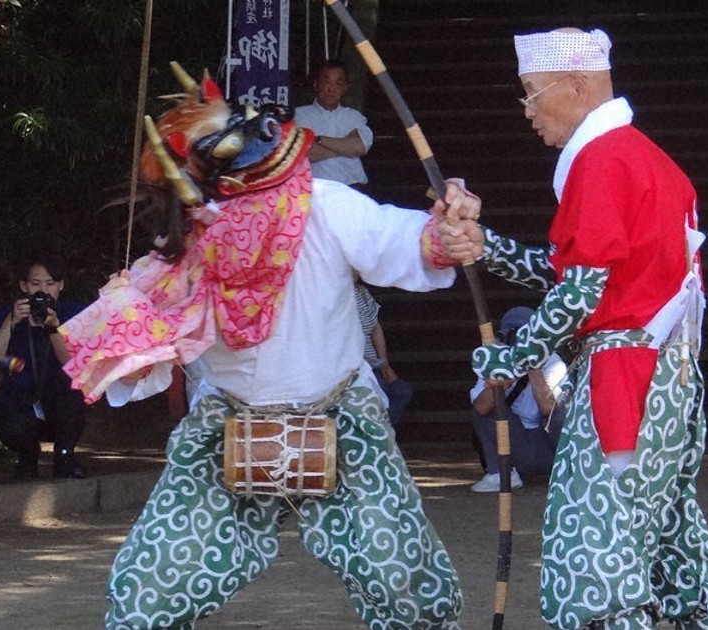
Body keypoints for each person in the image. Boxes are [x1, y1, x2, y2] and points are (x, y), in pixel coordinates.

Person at [59, 66, 465, 629]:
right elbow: (114, 358)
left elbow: (404, 242)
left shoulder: (325, 204)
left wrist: (444, 235)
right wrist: (113, 335)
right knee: (148, 591)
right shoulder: (183, 250)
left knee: (402, 577)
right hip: (226, 421)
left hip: (342, 416)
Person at [435, 27, 708, 629]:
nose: (527, 112)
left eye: (530, 92)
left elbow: (581, 289)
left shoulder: (601, 160)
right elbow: (575, 272)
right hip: (665, 377)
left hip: (624, 379)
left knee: (596, 558)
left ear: (577, 84)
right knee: (665, 544)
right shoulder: (646, 158)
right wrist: (485, 247)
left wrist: (513, 359)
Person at [0, 254, 87, 480]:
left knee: (72, 389)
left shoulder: (73, 312)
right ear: (24, 285)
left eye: (50, 284)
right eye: (35, 284)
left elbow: (73, 364)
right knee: (9, 412)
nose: (43, 291)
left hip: (59, 399)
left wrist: (53, 328)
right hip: (22, 398)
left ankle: (65, 454)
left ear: (61, 285)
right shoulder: (8, 313)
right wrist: (10, 323)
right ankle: (27, 456)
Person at [468, 306, 566, 493]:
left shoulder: (553, 361)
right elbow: (480, 408)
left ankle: (569, 471)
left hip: (549, 446)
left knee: (561, 410)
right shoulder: (496, 359)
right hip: (514, 444)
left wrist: (532, 365)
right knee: (486, 409)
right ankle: (500, 475)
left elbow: (549, 409)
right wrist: (507, 374)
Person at [293, 59, 373, 187]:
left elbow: (359, 147)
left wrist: (319, 140)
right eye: (326, 82)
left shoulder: (354, 117)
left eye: (338, 84)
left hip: (351, 188)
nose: (331, 89)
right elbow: (302, 153)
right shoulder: (298, 116)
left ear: (344, 88)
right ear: (316, 85)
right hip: (312, 189)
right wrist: (345, 147)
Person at [353, 280, 412, 426]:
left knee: (401, 391)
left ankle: (383, 435)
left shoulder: (362, 292)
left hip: (373, 365)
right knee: (381, 396)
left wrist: (384, 364)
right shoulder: (333, 295)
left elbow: (376, 329)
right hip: (354, 368)